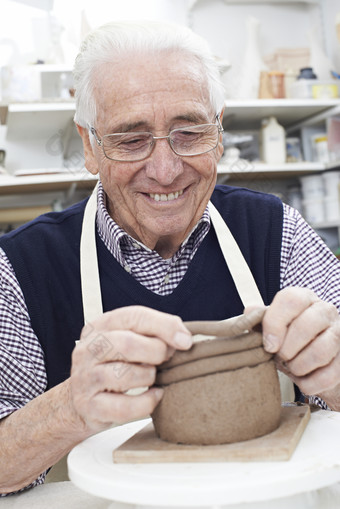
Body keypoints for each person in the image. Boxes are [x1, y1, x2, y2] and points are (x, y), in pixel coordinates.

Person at [0, 20, 340, 496]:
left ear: (219, 131)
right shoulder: (21, 267)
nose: (165, 170)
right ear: (89, 145)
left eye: (190, 131)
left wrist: (335, 372)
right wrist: (70, 409)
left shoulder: (276, 231)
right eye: (131, 139)